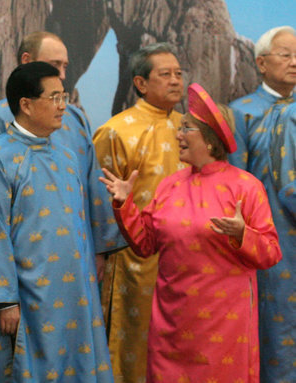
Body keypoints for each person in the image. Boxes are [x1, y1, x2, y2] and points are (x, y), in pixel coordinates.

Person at [100, 83, 282, 383]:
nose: (178, 134)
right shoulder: (170, 185)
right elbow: (145, 244)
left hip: (224, 324)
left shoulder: (246, 187)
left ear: (210, 141)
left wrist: (242, 234)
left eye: (186, 129)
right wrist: (124, 203)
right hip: (170, 321)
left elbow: (271, 252)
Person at [0, 62, 113, 382]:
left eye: (65, 97)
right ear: (26, 104)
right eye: (55, 98)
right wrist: (4, 299)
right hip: (26, 295)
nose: (64, 106)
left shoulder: (67, 154)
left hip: (75, 291)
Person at [0, 31, 125, 277]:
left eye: (65, 66)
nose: (63, 75)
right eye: (55, 65)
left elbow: (92, 183)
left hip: (78, 253)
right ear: (26, 60)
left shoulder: (75, 119)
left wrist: (99, 249)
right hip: (26, 260)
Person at [92, 42, 185, 382]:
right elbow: (99, 201)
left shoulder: (190, 129)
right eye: (165, 74)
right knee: (132, 346)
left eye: (178, 74)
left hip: (185, 262)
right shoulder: (116, 131)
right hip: (133, 261)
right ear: (141, 83)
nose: (176, 81)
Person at [228, 26, 296, 382]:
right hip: (271, 239)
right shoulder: (242, 113)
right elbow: (234, 183)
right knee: (275, 323)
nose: (294, 62)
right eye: (285, 55)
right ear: (260, 62)